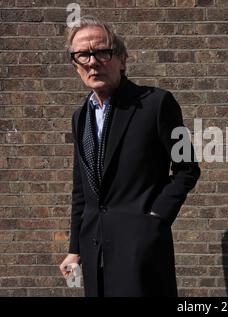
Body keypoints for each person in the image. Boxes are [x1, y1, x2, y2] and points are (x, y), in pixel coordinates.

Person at [58, 16, 200, 297]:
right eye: (83, 55)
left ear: (122, 59)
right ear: (75, 65)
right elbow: (81, 190)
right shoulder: (80, 117)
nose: (93, 61)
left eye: (102, 52)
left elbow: (187, 169)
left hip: (142, 247)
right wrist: (74, 249)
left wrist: (155, 218)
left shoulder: (158, 104)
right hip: (94, 247)